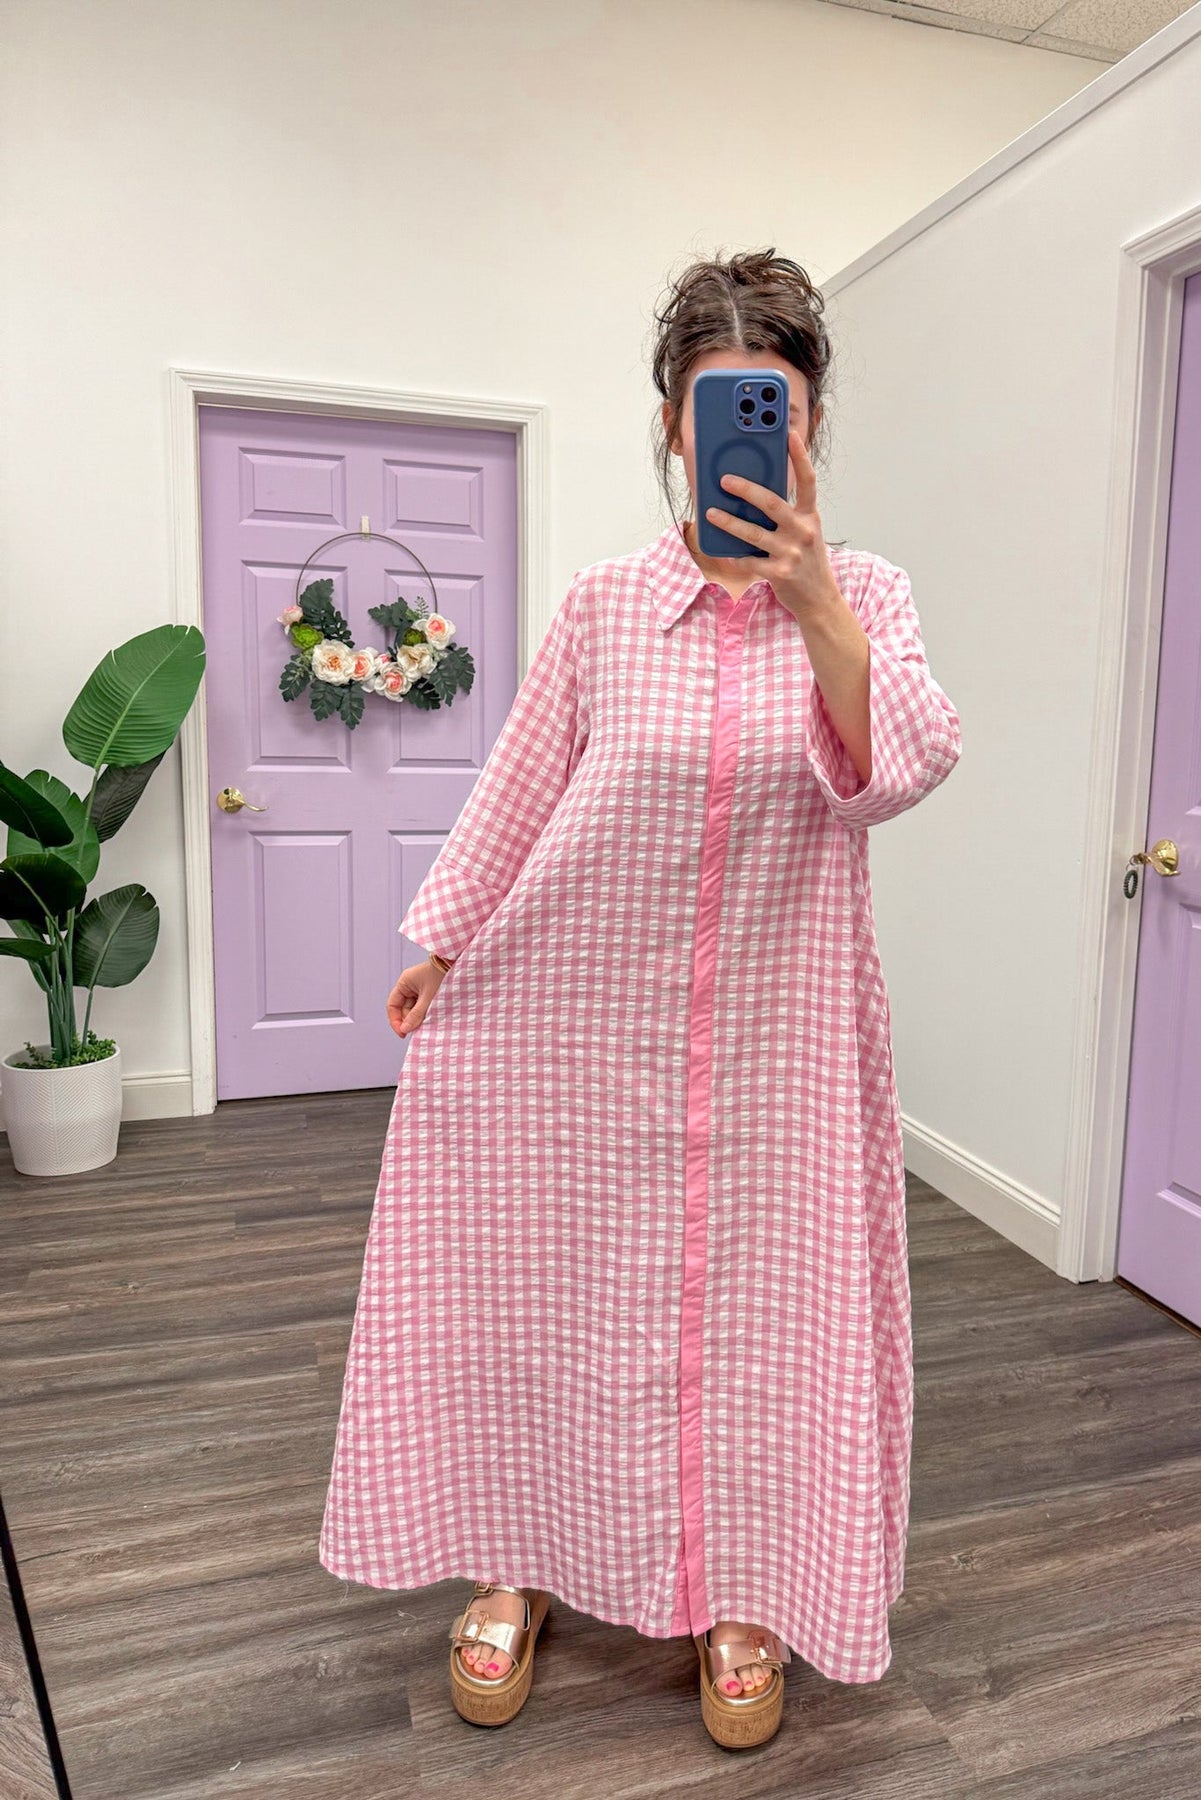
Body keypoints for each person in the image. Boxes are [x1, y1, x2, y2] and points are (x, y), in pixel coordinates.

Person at [318, 248, 962, 1749]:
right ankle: (519, 1556)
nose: (743, 431)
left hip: (782, 1046)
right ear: (675, 425)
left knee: (768, 1323)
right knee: (542, 1284)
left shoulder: (867, 595)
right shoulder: (606, 608)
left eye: (774, 406)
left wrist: (813, 598)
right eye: (716, 404)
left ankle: (747, 1586)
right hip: (579, 1032)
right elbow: (524, 785)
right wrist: (445, 944)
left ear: (810, 426)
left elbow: (909, 765)